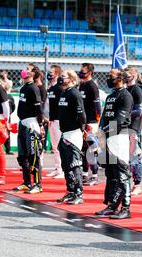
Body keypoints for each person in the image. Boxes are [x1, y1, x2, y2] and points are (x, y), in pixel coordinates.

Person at [95, 68, 133, 219]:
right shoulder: (111, 95)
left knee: (122, 173)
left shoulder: (126, 95)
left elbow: (120, 120)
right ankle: (112, 204)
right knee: (110, 172)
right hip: (107, 137)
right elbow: (104, 116)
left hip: (119, 137)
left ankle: (126, 207)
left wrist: (104, 131)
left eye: (111, 76)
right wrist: (100, 132)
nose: (108, 78)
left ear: (121, 78)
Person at [56, 70, 87, 205]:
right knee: (65, 165)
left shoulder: (74, 93)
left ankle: (79, 193)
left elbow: (82, 115)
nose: (61, 78)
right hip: (64, 132)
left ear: (71, 79)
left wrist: (82, 129)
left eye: (64, 76)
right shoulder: (64, 93)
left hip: (73, 133)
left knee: (74, 165)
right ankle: (70, 191)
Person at [13, 64, 44, 194]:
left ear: (33, 73)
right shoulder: (23, 88)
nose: (25, 70)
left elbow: (39, 109)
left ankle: (38, 184)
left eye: (28, 69)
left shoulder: (33, 88)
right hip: (22, 123)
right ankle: (27, 182)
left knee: (34, 156)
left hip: (32, 124)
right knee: (22, 156)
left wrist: (40, 125)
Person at [78, 63, 102, 186]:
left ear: (90, 72)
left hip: (91, 123)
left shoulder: (92, 86)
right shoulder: (81, 85)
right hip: (83, 122)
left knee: (92, 149)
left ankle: (95, 176)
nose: (81, 73)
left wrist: (96, 123)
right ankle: (84, 174)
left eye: (84, 71)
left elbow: (98, 107)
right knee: (83, 149)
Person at [125, 66, 142, 195]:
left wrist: (124, 114)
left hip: (133, 127)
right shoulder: (125, 89)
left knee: (135, 156)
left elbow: (139, 110)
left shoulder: (136, 90)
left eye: (127, 75)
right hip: (124, 127)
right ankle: (128, 182)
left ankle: (137, 184)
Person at [45, 64, 65, 179]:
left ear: (57, 74)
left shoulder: (59, 88)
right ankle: (57, 168)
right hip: (52, 120)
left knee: (58, 146)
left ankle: (61, 169)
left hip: (58, 120)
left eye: (51, 72)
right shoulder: (51, 88)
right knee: (54, 146)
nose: (49, 74)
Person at [0, 71, 15, 155]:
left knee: (7, 132)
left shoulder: (10, 97)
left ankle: (8, 149)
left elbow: (13, 107)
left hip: (7, 117)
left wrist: (8, 114)